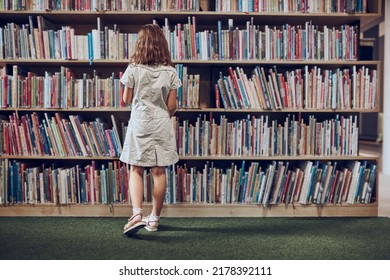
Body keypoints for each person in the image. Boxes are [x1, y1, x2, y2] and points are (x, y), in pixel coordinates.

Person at [120, 24, 181, 235]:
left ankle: (137, 214)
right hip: (162, 122)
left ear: (141, 45)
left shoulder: (133, 68)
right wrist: (163, 115)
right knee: (158, 171)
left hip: (139, 120)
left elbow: (126, 99)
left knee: (136, 168)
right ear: (161, 45)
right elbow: (172, 106)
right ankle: (153, 219)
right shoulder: (171, 72)